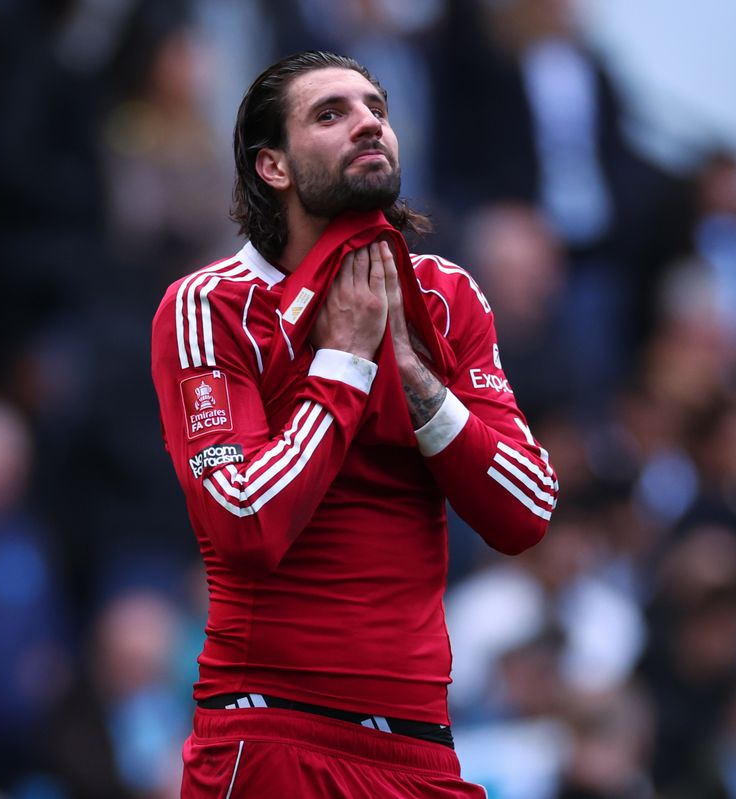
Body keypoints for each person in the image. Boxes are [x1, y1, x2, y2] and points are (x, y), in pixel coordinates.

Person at [150, 50, 559, 798]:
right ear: (273, 166)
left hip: (424, 752)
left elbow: (527, 510)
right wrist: (343, 363)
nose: (368, 122)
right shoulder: (210, 305)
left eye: (377, 108)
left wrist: (408, 371)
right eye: (330, 114)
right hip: (273, 736)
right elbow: (244, 521)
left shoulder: (446, 299)